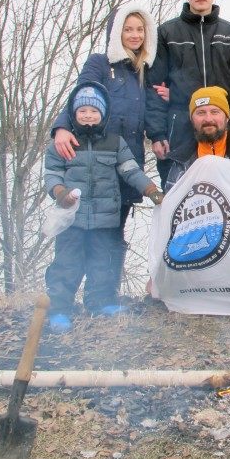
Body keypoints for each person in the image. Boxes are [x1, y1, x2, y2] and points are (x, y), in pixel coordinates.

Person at [52, 2, 157, 293]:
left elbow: (155, 112)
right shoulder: (100, 63)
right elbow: (80, 95)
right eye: (128, 29)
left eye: (139, 30)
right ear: (116, 32)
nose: (134, 35)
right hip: (91, 161)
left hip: (125, 163)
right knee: (77, 233)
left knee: (113, 233)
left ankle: (104, 298)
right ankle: (63, 296)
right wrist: (61, 126)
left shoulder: (145, 70)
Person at [44, 82, 164, 333]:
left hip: (104, 218)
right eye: (82, 111)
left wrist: (151, 190)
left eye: (94, 111)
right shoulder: (64, 143)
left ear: (104, 114)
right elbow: (52, 175)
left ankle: (99, 303)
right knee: (66, 264)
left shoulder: (114, 142)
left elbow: (130, 170)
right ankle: (59, 309)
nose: (88, 115)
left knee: (102, 263)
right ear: (73, 114)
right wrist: (60, 193)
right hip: (72, 220)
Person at [146, 0, 230, 184]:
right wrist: (157, 133)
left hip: (223, 129)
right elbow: (154, 88)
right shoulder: (166, 33)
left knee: (228, 196)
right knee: (179, 196)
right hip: (178, 132)